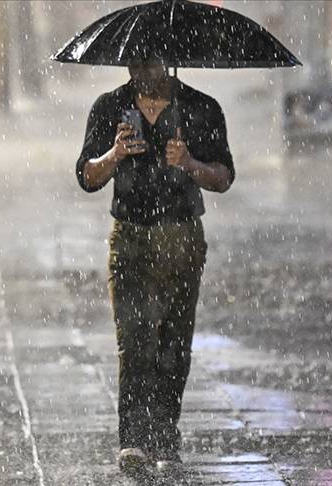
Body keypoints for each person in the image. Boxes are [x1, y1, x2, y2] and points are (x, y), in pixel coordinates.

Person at [75, 59, 234, 480]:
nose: (141, 70)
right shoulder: (109, 107)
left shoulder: (201, 108)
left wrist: (189, 164)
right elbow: (87, 177)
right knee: (134, 342)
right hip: (130, 237)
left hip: (181, 237)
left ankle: (165, 438)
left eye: (151, 61)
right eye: (135, 62)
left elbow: (223, 177)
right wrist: (114, 153)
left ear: (169, 61)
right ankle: (134, 440)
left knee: (174, 345)